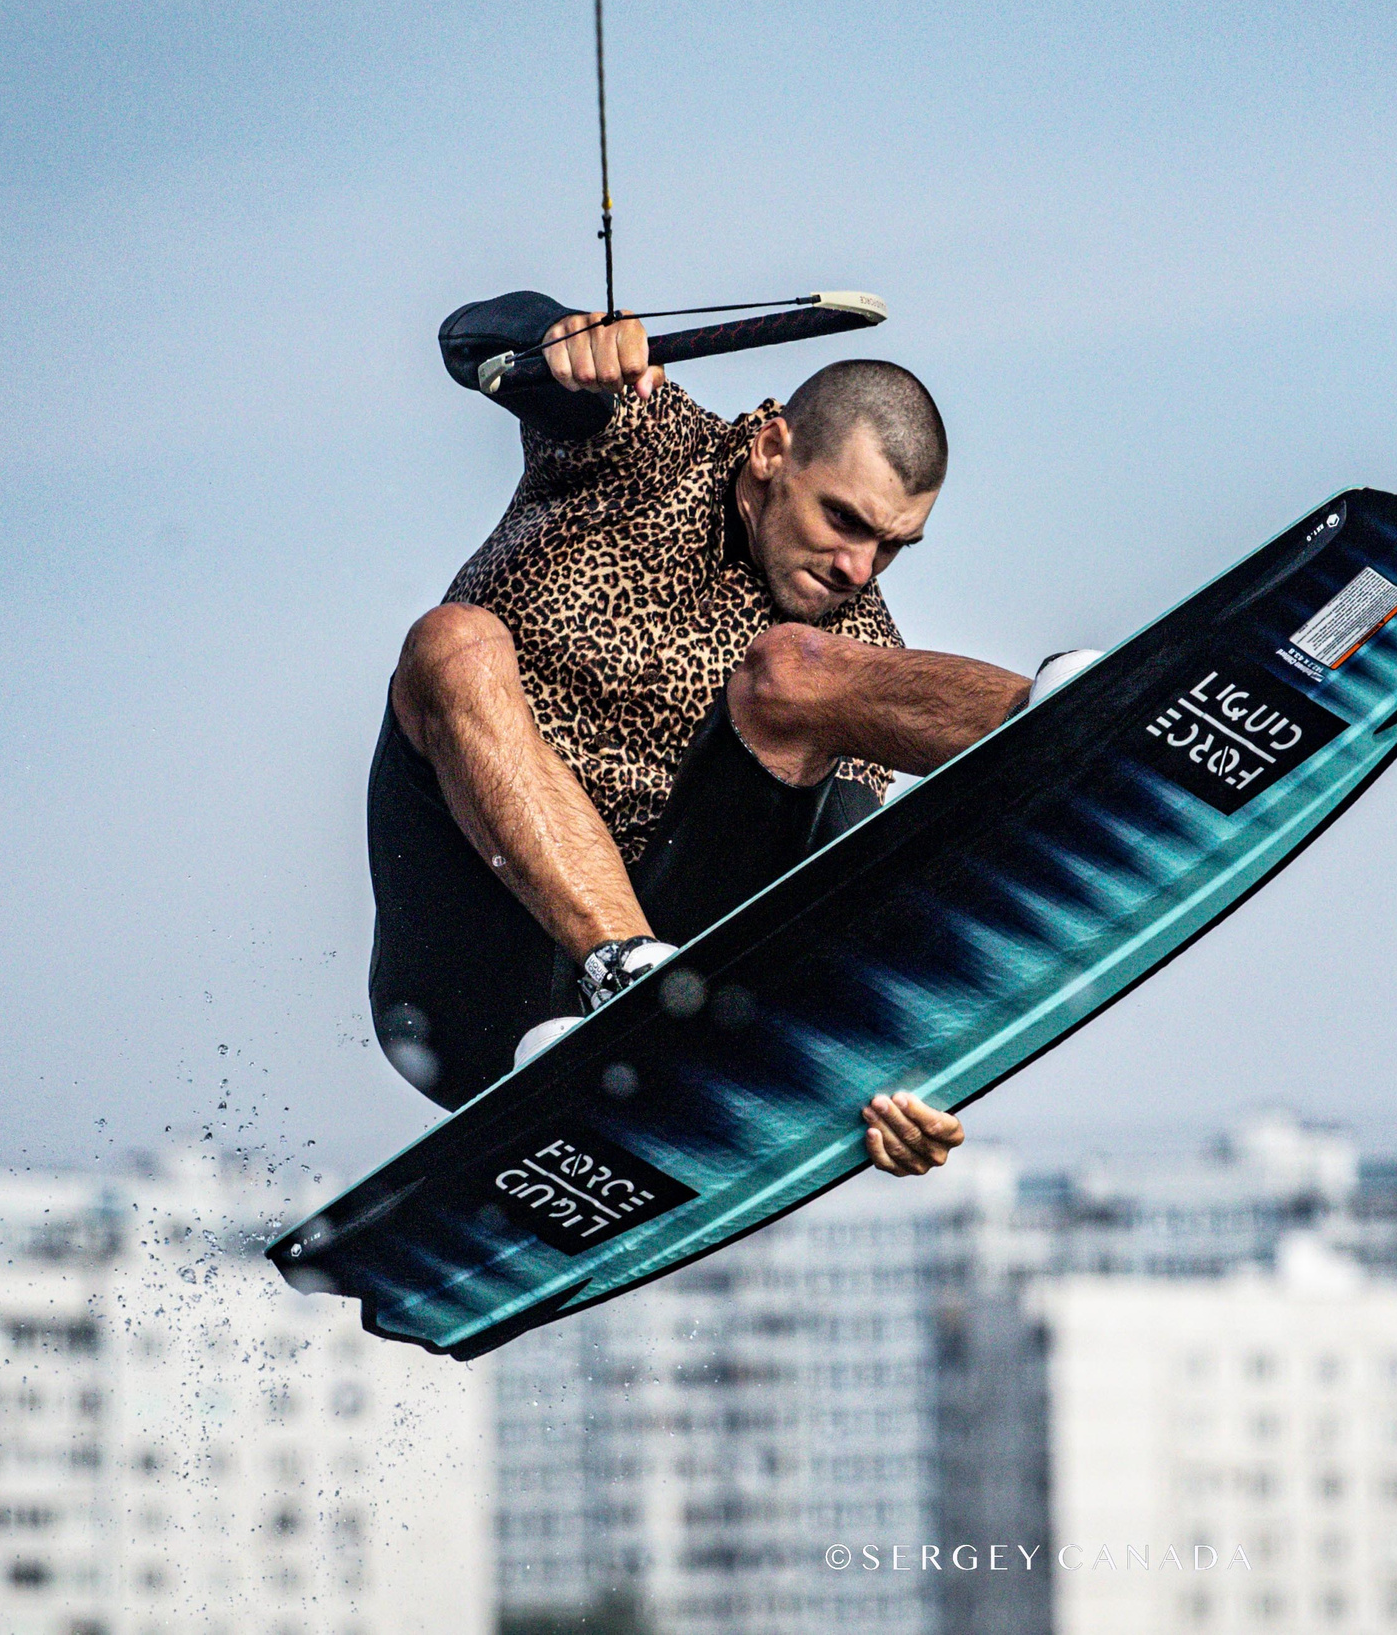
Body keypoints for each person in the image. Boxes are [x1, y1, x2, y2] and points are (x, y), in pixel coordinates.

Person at [367, 291, 1081, 1179]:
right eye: (844, 520)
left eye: (894, 545)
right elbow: (473, 339)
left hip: (674, 995)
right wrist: (557, 336)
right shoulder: (639, 443)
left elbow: (829, 896)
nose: (858, 568)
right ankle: (620, 975)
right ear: (773, 447)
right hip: (466, 990)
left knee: (792, 669)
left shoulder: (851, 655)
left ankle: (1061, 728)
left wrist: (880, 1082)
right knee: (452, 640)